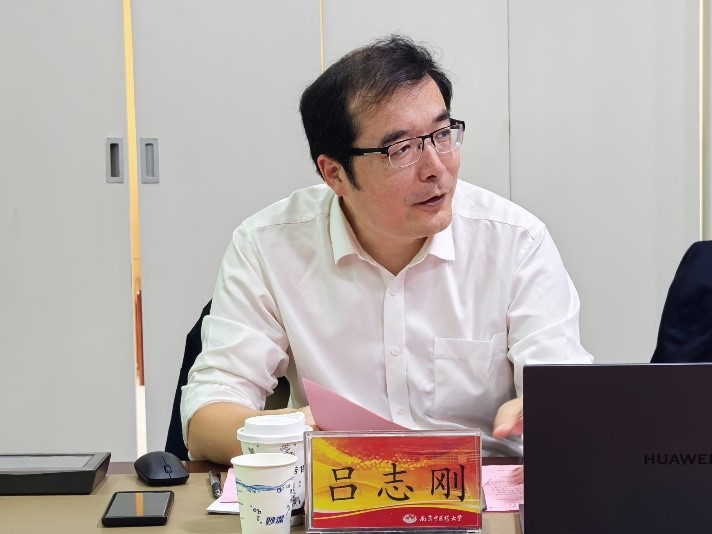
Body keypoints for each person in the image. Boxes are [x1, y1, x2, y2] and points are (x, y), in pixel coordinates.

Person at [181, 35, 592, 465]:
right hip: (342, 481)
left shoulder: (515, 241)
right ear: (335, 174)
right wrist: (297, 429)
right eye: (402, 149)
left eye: (442, 134)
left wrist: (548, 410)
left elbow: (569, 395)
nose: (436, 168)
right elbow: (206, 418)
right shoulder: (268, 246)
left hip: (481, 485)